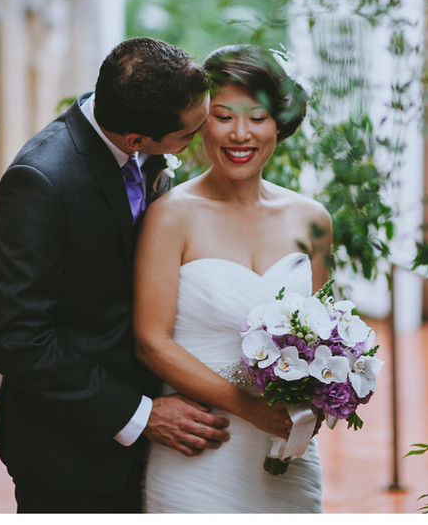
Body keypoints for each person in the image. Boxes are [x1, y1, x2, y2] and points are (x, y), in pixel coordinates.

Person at [0, 36, 230, 513]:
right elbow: (19, 341)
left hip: (155, 451)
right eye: (189, 134)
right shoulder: (40, 180)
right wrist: (141, 415)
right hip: (71, 455)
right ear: (136, 140)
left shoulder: (135, 127)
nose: (202, 138)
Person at [134, 44, 332, 513]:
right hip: (199, 448)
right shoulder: (169, 217)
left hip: (288, 451)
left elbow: (324, 335)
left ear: (279, 124)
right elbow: (150, 341)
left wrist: (328, 394)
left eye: (257, 117)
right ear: (200, 120)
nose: (240, 134)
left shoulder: (313, 220)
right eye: (223, 116)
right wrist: (247, 408)